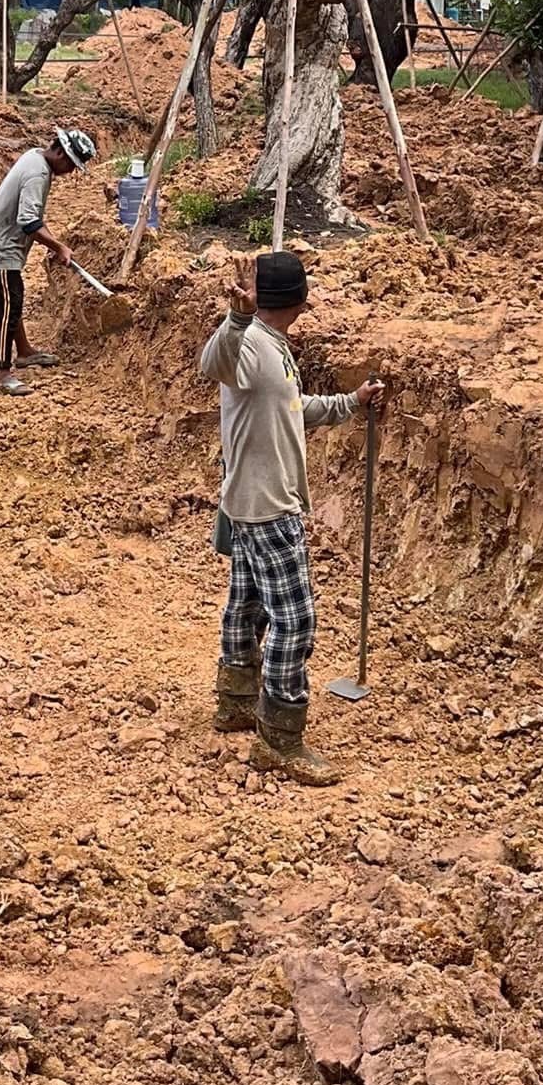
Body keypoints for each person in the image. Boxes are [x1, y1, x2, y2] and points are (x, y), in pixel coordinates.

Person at [200, 251, 383, 786]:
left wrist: (350, 402)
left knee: (248, 604)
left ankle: (235, 701)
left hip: (251, 498)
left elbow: (291, 408)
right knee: (295, 619)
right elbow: (213, 362)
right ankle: (280, 738)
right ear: (301, 300)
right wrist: (235, 319)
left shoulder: (270, 347)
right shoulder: (250, 343)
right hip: (267, 504)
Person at [0, 126, 97, 396]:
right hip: (1, 243)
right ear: (59, 152)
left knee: (12, 298)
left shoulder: (35, 156)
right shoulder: (38, 173)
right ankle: (2, 372)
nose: (70, 171)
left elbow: (31, 219)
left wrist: (54, 244)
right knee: (7, 305)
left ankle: (24, 352)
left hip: (3, 238)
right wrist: (58, 246)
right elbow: (29, 221)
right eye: (70, 164)